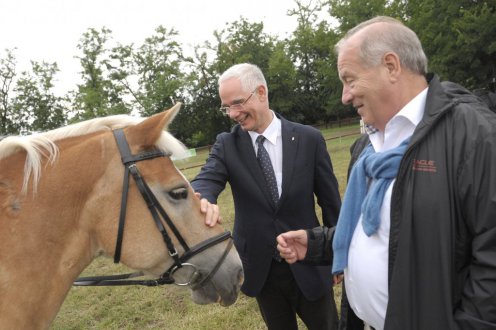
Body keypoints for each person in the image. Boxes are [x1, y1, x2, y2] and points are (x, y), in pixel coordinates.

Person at [277, 16, 496, 330]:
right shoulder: (367, 146)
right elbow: (380, 231)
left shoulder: (474, 134)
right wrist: (317, 244)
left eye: (349, 79)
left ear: (391, 66)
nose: (345, 96)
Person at [191, 63, 341, 330]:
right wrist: (202, 198)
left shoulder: (309, 139)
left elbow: (330, 203)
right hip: (262, 271)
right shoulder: (227, 145)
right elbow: (207, 178)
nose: (233, 114)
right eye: (226, 107)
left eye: (237, 103)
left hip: (309, 262)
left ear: (261, 92)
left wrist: (336, 253)